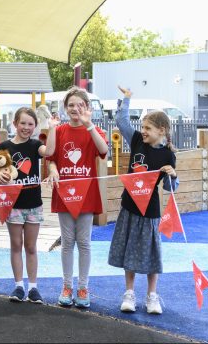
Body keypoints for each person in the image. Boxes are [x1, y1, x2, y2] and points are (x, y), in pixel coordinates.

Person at [108, 86, 178, 315]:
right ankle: (129, 293)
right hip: (129, 207)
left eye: (148, 128)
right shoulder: (137, 140)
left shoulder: (168, 155)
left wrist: (172, 176)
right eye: (143, 127)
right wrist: (127, 98)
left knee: (150, 253)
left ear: (162, 130)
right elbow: (121, 120)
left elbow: (169, 188)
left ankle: (152, 296)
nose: (143, 131)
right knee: (129, 249)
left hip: (150, 212)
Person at [48, 86, 108, 308]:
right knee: (67, 242)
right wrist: (53, 168)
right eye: (71, 105)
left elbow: (104, 151)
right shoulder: (60, 130)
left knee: (84, 242)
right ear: (65, 108)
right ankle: (67, 285)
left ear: (88, 108)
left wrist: (89, 124)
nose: (75, 109)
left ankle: (83, 286)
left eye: (80, 105)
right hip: (64, 192)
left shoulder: (94, 130)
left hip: (86, 195)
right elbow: (50, 155)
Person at [0, 107, 54, 303]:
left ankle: (33, 287)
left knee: (31, 246)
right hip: (14, 205)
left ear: (35, 126)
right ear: (15, 124)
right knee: (16, 244)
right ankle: (19, 285)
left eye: (30, 124)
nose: (26, 127)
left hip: (34, 204)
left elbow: (50, 151)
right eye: (23, 123)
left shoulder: (36, 145)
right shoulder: (4, 147)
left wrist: (51, 130)